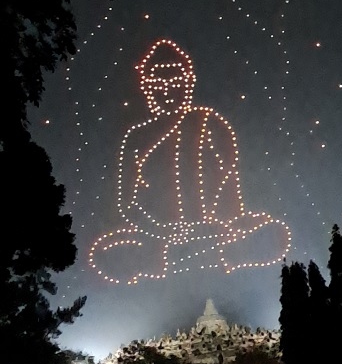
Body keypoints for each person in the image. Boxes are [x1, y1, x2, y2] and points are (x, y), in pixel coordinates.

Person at [89, 38, 290, 284]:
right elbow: (128, 205)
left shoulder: (209, 123)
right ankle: (193, 258)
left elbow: (230, 190)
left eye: (175, 82)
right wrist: (162, 230)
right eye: (158, 84)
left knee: (272, 232)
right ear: (147, 87)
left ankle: (187, 259)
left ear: (187, 82)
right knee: (105, 253)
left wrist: (219, 225)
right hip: (160, 237)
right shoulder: (137, 138)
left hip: (213, 232)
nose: (167, 90)